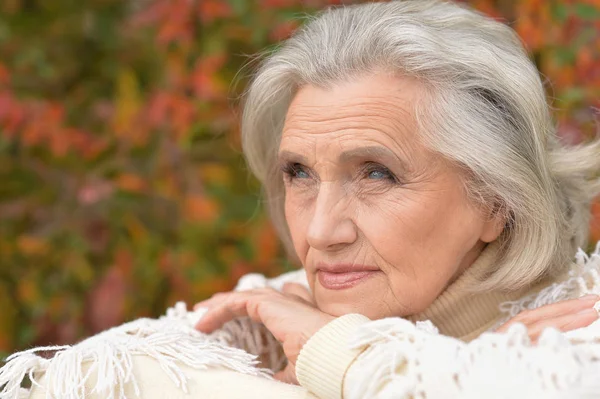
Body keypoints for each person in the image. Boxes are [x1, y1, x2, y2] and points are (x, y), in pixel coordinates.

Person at [2, 1, 600, 398]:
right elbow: (64, 379)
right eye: (298, 173)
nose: (319, 233)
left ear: (496, 198)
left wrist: (327, 358)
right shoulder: (281, 310)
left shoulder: (581, 335)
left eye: (377, 174)